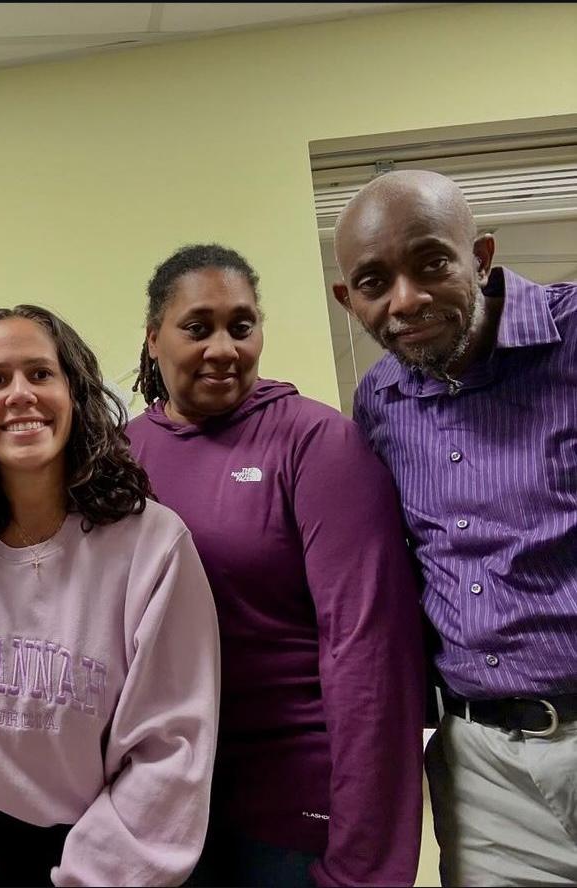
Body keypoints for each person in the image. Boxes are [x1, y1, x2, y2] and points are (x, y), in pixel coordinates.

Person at [0, 304, 220, 887]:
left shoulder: (153, 545)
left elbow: (170, 747)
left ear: (76, 394)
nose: (19, 395)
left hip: (109, 861)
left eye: (41, 374)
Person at [126, 243, 425, 887]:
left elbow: (368, 651)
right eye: (196, 328)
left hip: (293, 808)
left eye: (242, 326)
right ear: (153, 339)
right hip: (162, 806)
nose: (224, 348)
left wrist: (365, 857)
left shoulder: (317, 443)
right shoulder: (121, 455)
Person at [332, 169, 577, 886]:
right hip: (480, 771)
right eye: (374, 282)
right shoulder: (377, 399)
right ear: (349, 300)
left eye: (431, 262)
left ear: (481, 256)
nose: (405, 300)